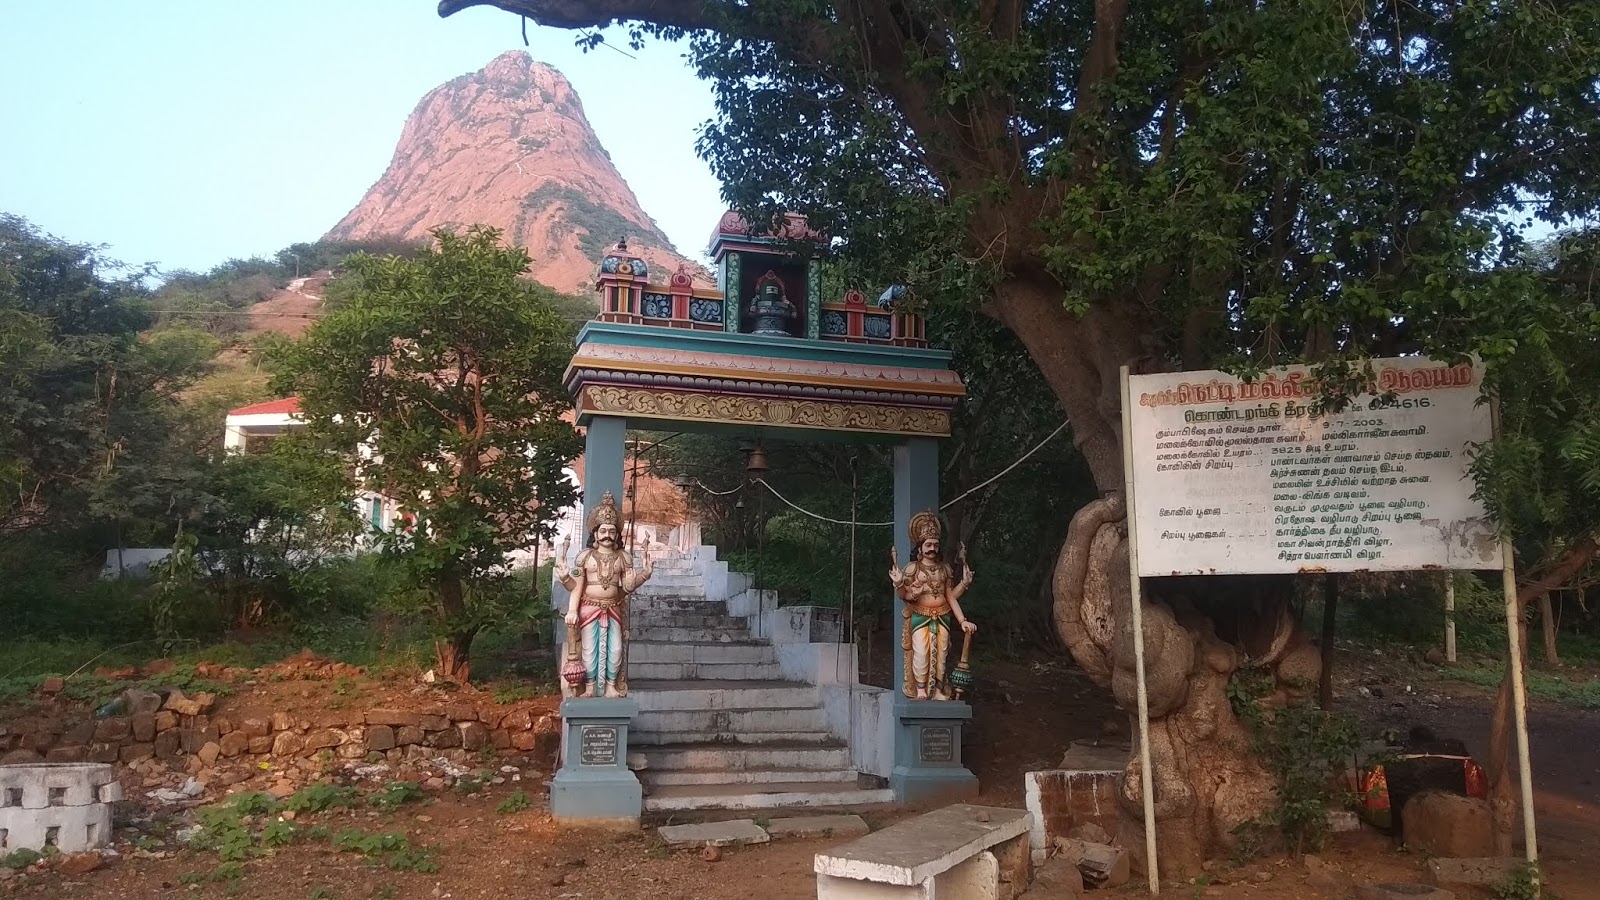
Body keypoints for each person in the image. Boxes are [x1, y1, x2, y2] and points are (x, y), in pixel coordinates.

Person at [555, 491, 653, 697]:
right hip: (589, 607)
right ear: (595, 534)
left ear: (617, 535)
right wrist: (566, 585)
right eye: (603, 531)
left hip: (613, 609)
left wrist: (644, 574)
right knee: (589, 650)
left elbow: (627, 587)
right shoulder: (585, 557)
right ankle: (590, 688)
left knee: (615, 650)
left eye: (611, 531)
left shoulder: (623, 557)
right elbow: (576, 586)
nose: (607, 535)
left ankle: (610, 686)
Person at [891, 510, 976, 700]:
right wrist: (899, 584)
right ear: (920, 547)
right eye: (928, 545)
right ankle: (921, 689)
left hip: (943, 616)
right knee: (921, 652)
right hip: (920, 616)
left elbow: (950, 597)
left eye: (936, 545)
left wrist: (962, 617)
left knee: (941, 655)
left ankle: (938, 691)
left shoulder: (944, 569)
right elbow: (904, 596)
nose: (932, 549)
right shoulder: (912, 568)